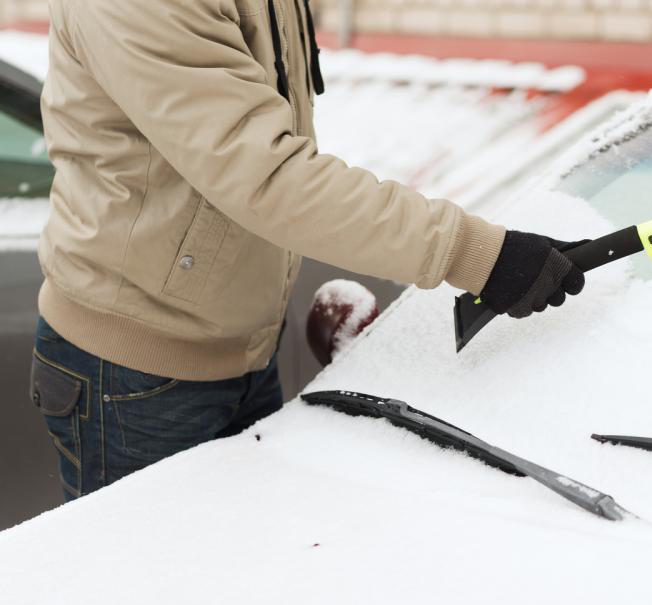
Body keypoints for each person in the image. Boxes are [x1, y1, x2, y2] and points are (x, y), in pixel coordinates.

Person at [28, 0, 585, 501]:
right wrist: (474, 253)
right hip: (135, 374)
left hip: (238, 344)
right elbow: (265, 176)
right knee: (156, 598)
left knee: (245, 586)